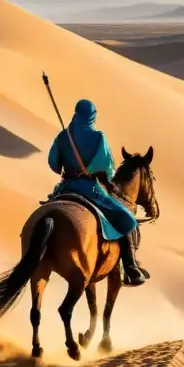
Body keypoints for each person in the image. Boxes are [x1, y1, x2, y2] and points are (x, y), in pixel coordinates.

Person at [47, 99, 148, 286]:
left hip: (66, 188)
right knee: (127, 219)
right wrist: (90, 169)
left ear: (76, 114)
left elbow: (53, 164)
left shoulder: (63, 136)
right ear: (93, 117)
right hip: (90, 189)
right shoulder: (99, 137)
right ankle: (131, 268)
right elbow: (108, 169)